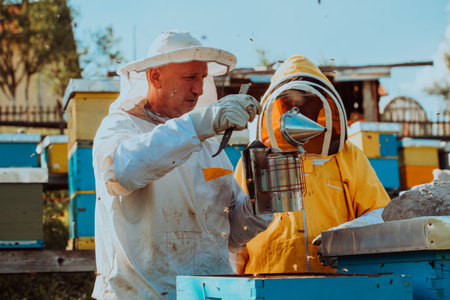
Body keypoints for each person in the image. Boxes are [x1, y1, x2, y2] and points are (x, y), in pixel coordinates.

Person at [92, 30, 271, 299]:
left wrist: (263, 198)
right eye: (190, 77)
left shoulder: (208, 145)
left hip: (210, 294)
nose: (199, 89)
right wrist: (201, 124)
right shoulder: (121, 127)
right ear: (155, 76)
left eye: (201, 78)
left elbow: (231, 234)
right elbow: (120, 173)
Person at [232, 55, 390, 274]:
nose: (297, 109)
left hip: (336, 285)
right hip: (266, 284)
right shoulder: (254, 160)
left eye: (307, 100)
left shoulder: (348, 155)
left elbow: (381, 212)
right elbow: (233, 239)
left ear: (322, 102)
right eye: (289, 101)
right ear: (277, 104)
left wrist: (348, 234)